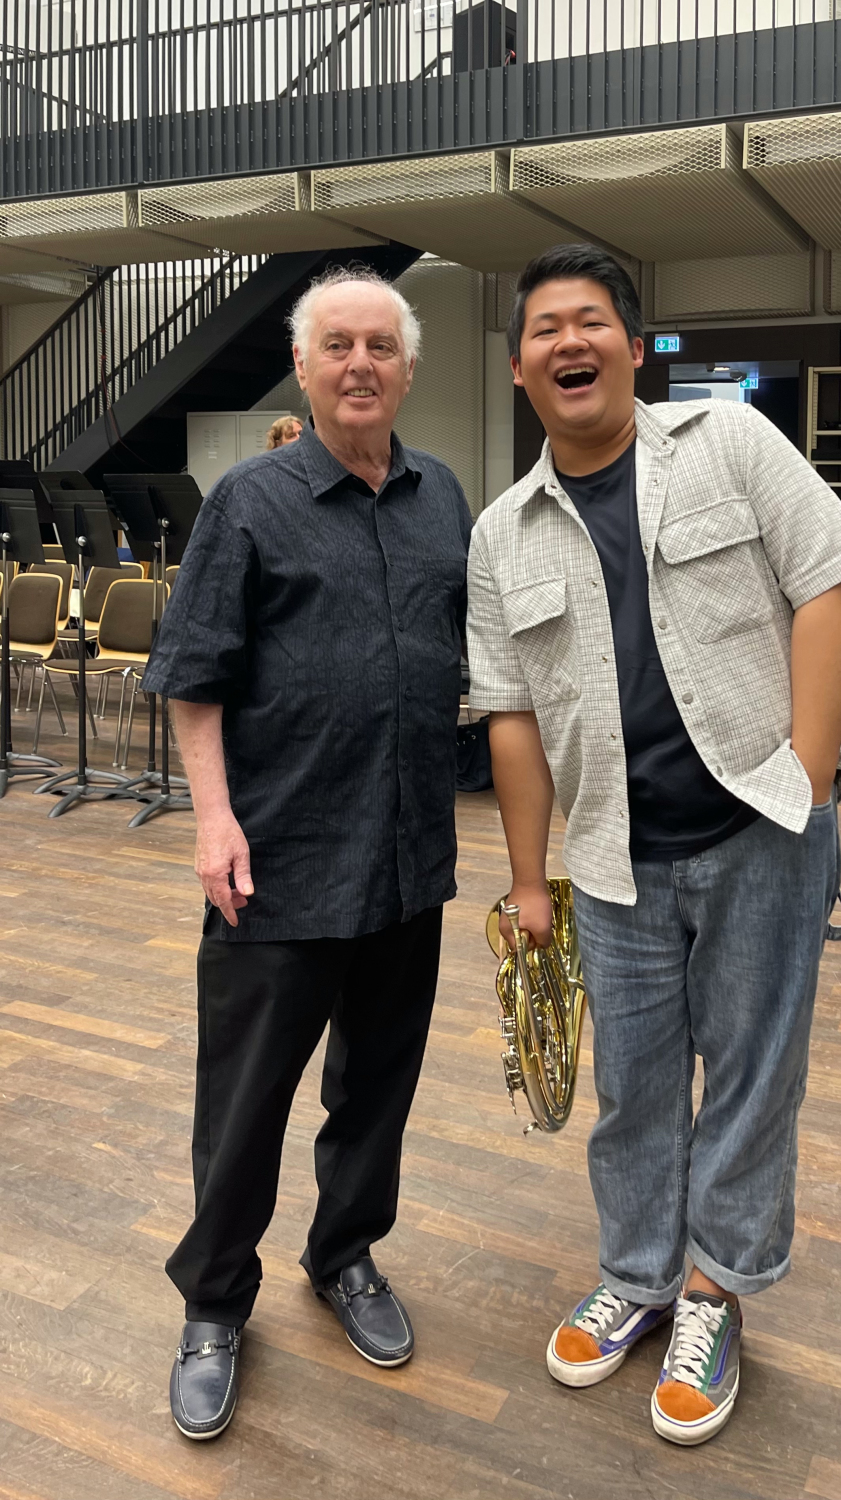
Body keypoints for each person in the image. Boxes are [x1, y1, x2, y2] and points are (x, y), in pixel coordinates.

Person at [466, 244, 841, 1447]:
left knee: (753, 1079)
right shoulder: (501, 536)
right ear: (518, 370)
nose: (569, 341)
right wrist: (527, 881)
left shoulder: (729, 444)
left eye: (591, 321)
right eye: (544, 328)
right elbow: (510, 715)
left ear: (634, 348)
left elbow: (829, 582)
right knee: (633, 1089)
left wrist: (806, 779)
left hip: (761, 834)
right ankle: (638, 1272)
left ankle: (713, 1290)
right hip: (611, 859)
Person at [142, 265, 473, 1441]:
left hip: (407, 855)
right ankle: (213, 1302)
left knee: (375, 1088)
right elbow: (192, 675)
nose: (359, 364)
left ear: (407, 367)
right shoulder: (249, 502)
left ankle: (344, 1256)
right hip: (275, 859)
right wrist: (213, 818)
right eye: (338, 345)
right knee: (244, 1104)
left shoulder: (443, 498)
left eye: (380, 345)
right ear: (303, 366)